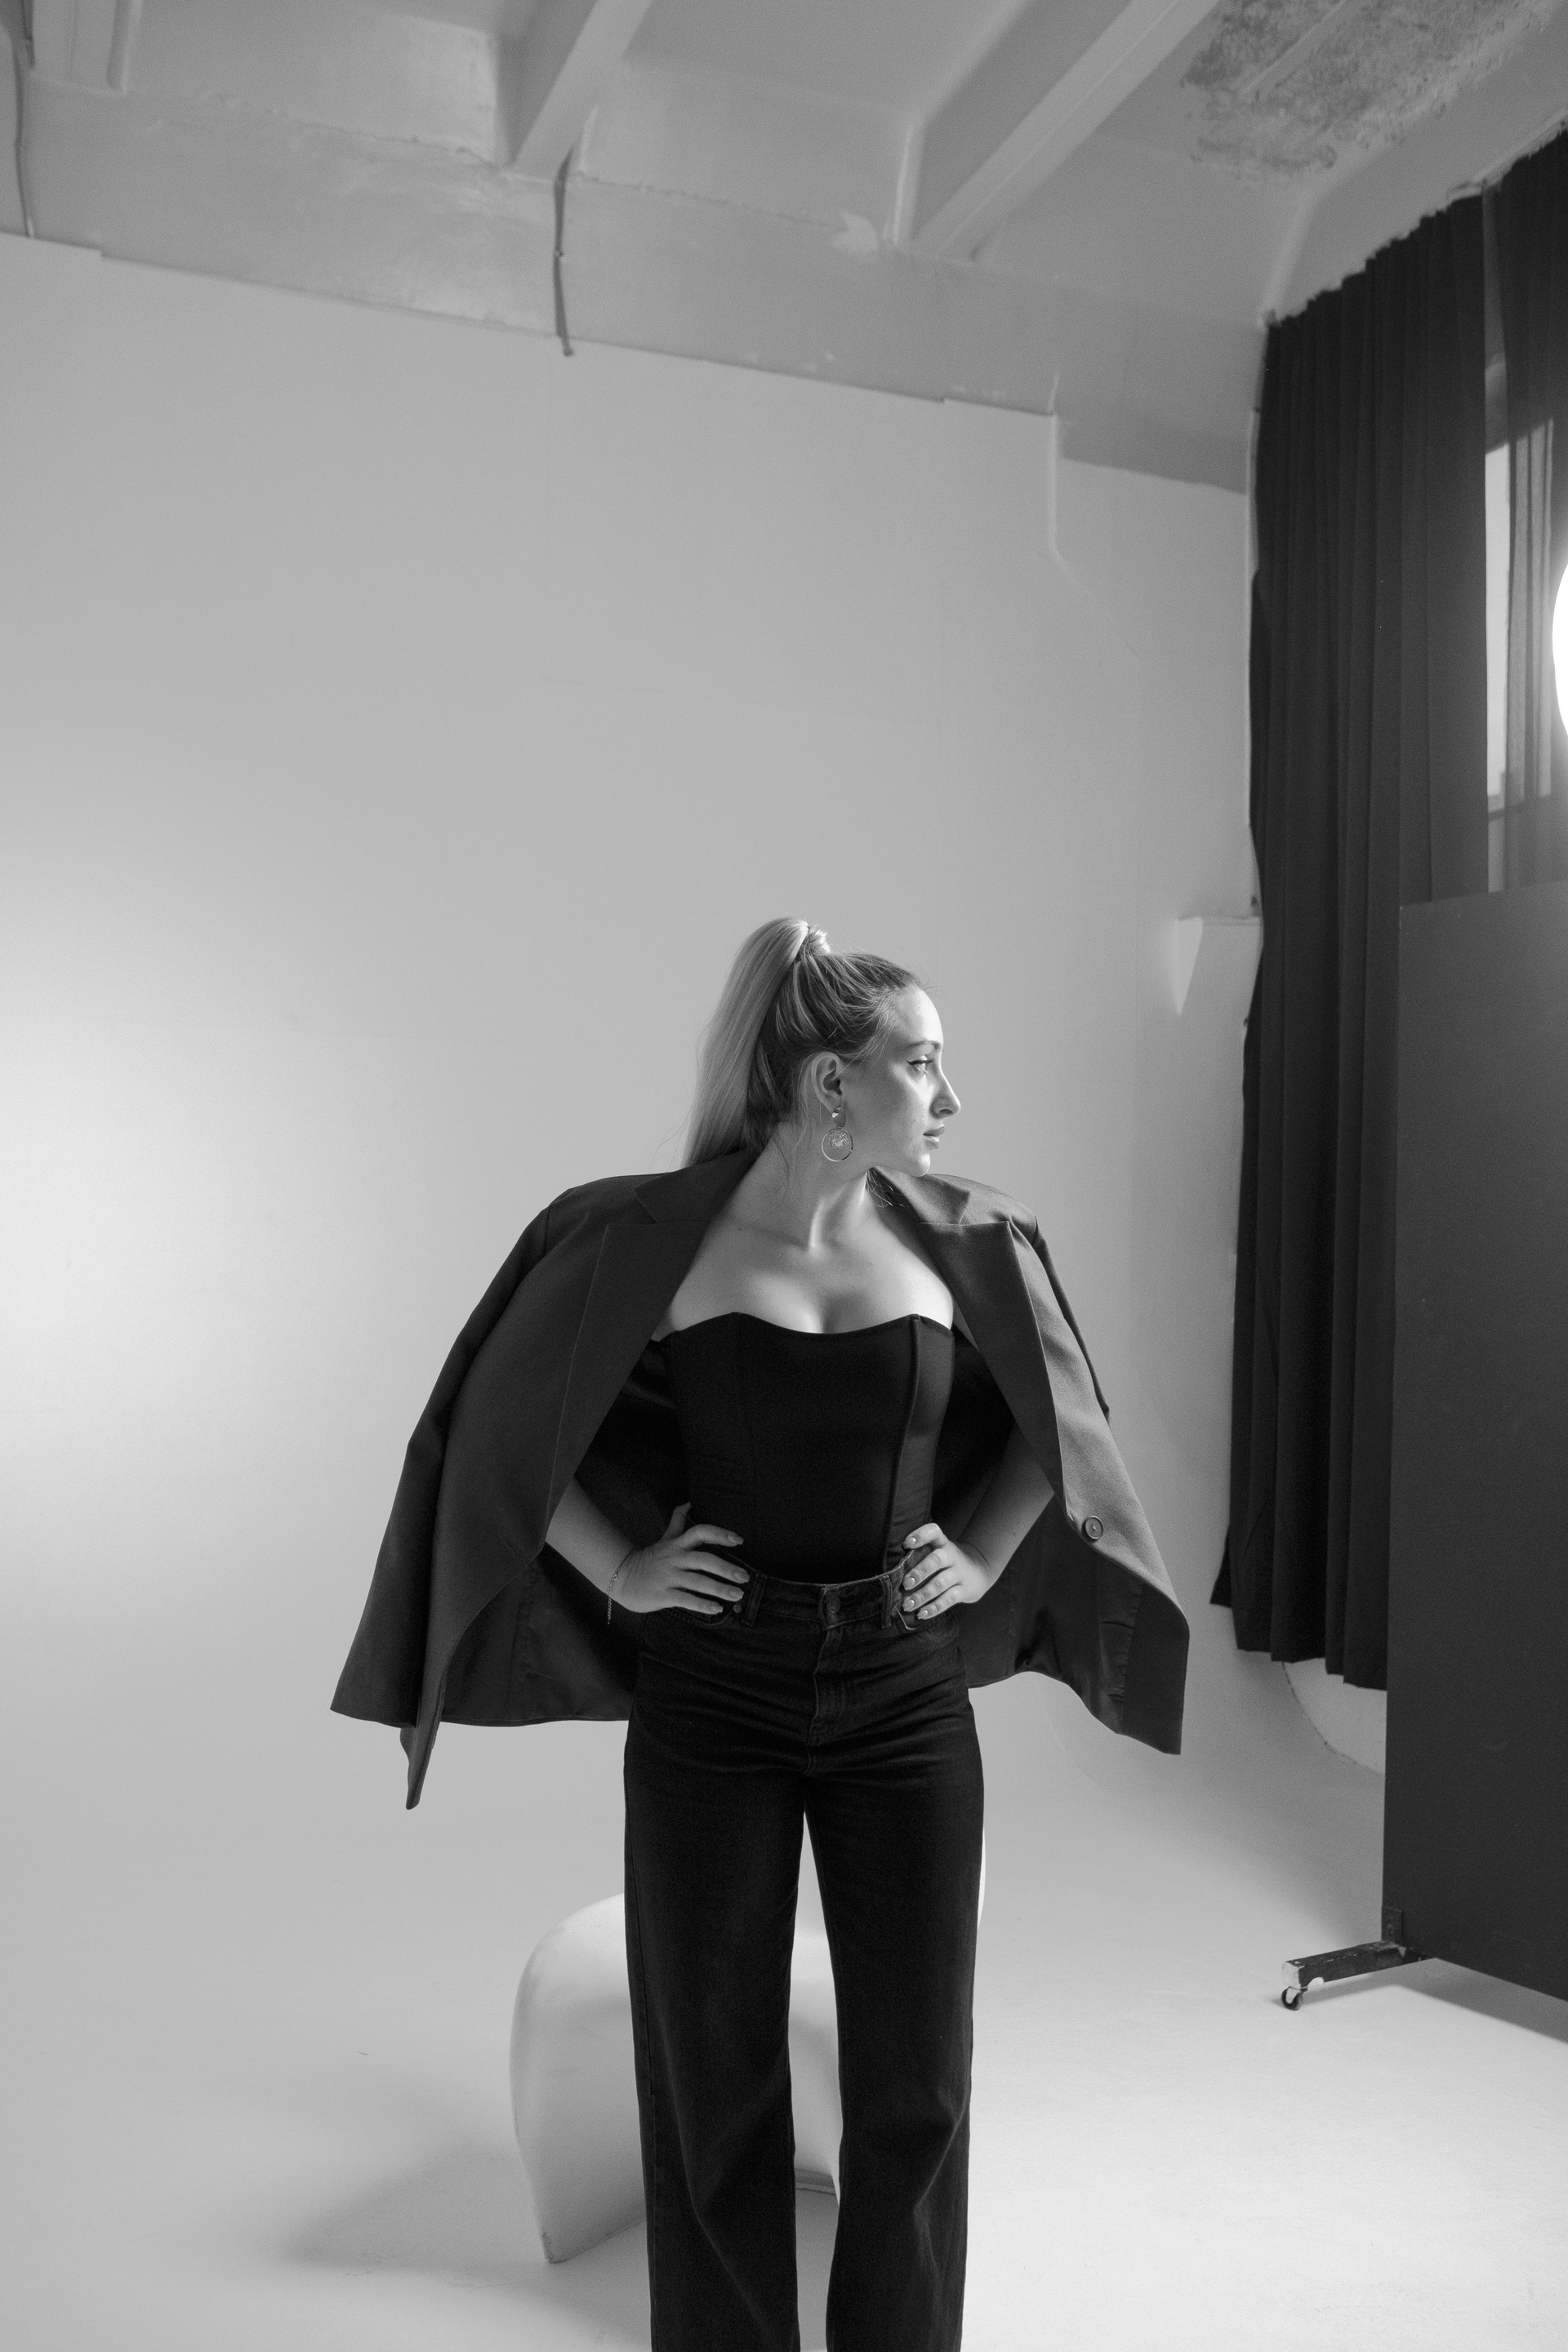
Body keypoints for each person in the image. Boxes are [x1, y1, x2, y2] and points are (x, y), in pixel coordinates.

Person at [332, 918, 1188, 2352]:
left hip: (904, 1697)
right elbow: (498, 1435)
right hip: (713, 1699)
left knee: (919, 2084)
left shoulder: (971, 1242)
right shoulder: (644, 1244)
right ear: (830, 1084)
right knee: (711, 2085)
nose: (952, 1096)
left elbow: (1065, 1424)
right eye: (922, 1063)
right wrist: (625, 1568)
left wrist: (981, 1555)